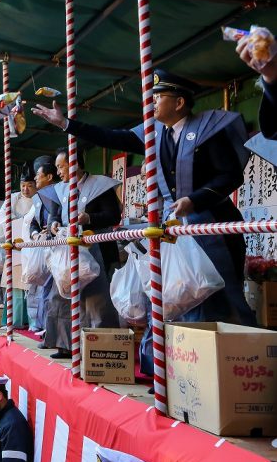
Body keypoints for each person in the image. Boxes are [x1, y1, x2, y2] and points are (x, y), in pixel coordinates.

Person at [33, 69, 255, 368]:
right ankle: (177, 369)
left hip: (212, 225)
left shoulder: (206, 131)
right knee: (173, 297)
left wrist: (195, 199)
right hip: (173, 230)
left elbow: (230, 175)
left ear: (179, 102)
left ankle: (242, 365)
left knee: (222, 296)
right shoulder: (154, 134)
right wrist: (66, 123)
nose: (151, 103)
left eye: (158, 97)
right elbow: (113, 136)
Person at [48, 147, 120, 329]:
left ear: (75, 164)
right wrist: (54, 224)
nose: (58, 172)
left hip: (98, 250)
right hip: (68, 252)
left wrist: (90, 218)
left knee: (98, 301)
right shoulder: (61, 190)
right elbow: (55, 215)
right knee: (66, 298)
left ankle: (99, 345)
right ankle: (66, 344)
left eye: (60, 167)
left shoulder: (100, 185)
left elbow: (113, 216)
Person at [30, 157, 69, 357]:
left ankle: (59, 340)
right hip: (49, 250)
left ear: (50, 176)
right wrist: (37, 232)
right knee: (47, 296)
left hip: (64, 251)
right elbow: (34, 222)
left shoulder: (63, 191)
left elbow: (57, 215)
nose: (36, 179)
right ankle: (50, 336)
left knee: (56, 297)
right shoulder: (39, 198)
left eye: (39, 175)